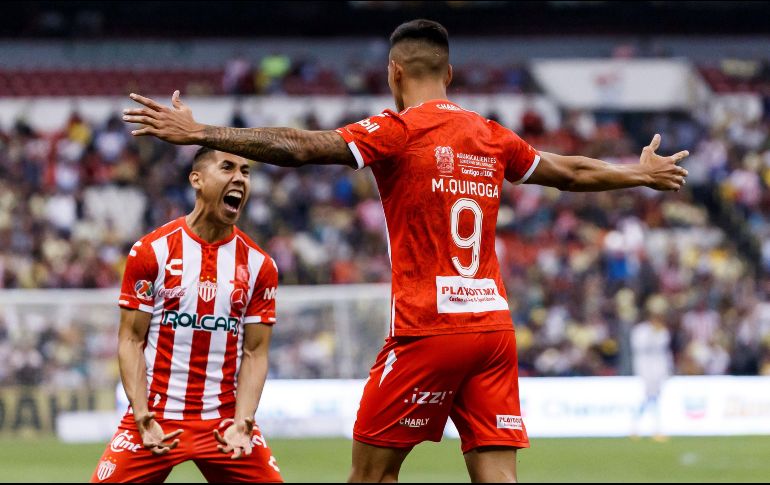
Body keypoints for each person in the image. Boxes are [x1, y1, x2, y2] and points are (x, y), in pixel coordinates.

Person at [122, 18, 689, 483]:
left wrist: (203, 133)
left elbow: (298, 147)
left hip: (428, 329)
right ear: (450, 72)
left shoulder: (397, 129)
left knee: (369, 475)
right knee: (497, 476)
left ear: (394, 73)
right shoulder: (491, 135)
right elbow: (569, 171)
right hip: (492, 331)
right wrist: (635, 175)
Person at [90, 147, 282, 483]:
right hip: (156, 417)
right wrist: (141, 415)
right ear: (197, 179)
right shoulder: (151, 251)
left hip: (225, 424)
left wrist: (243, 421)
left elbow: (255, 352)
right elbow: (131, 339)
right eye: (227, 167)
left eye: (245, 171)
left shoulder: (259, 265)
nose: (239, 177)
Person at [630, 294, 674, 442]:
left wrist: (668, 369)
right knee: (649, 397)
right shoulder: (641, 330)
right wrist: (652, 334)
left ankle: (640, 427)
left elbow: (665, 352)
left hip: (659, 368)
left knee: (653, 398)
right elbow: (640, 348)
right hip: (645, 367)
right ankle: (649, 428)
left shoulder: (663, 331)